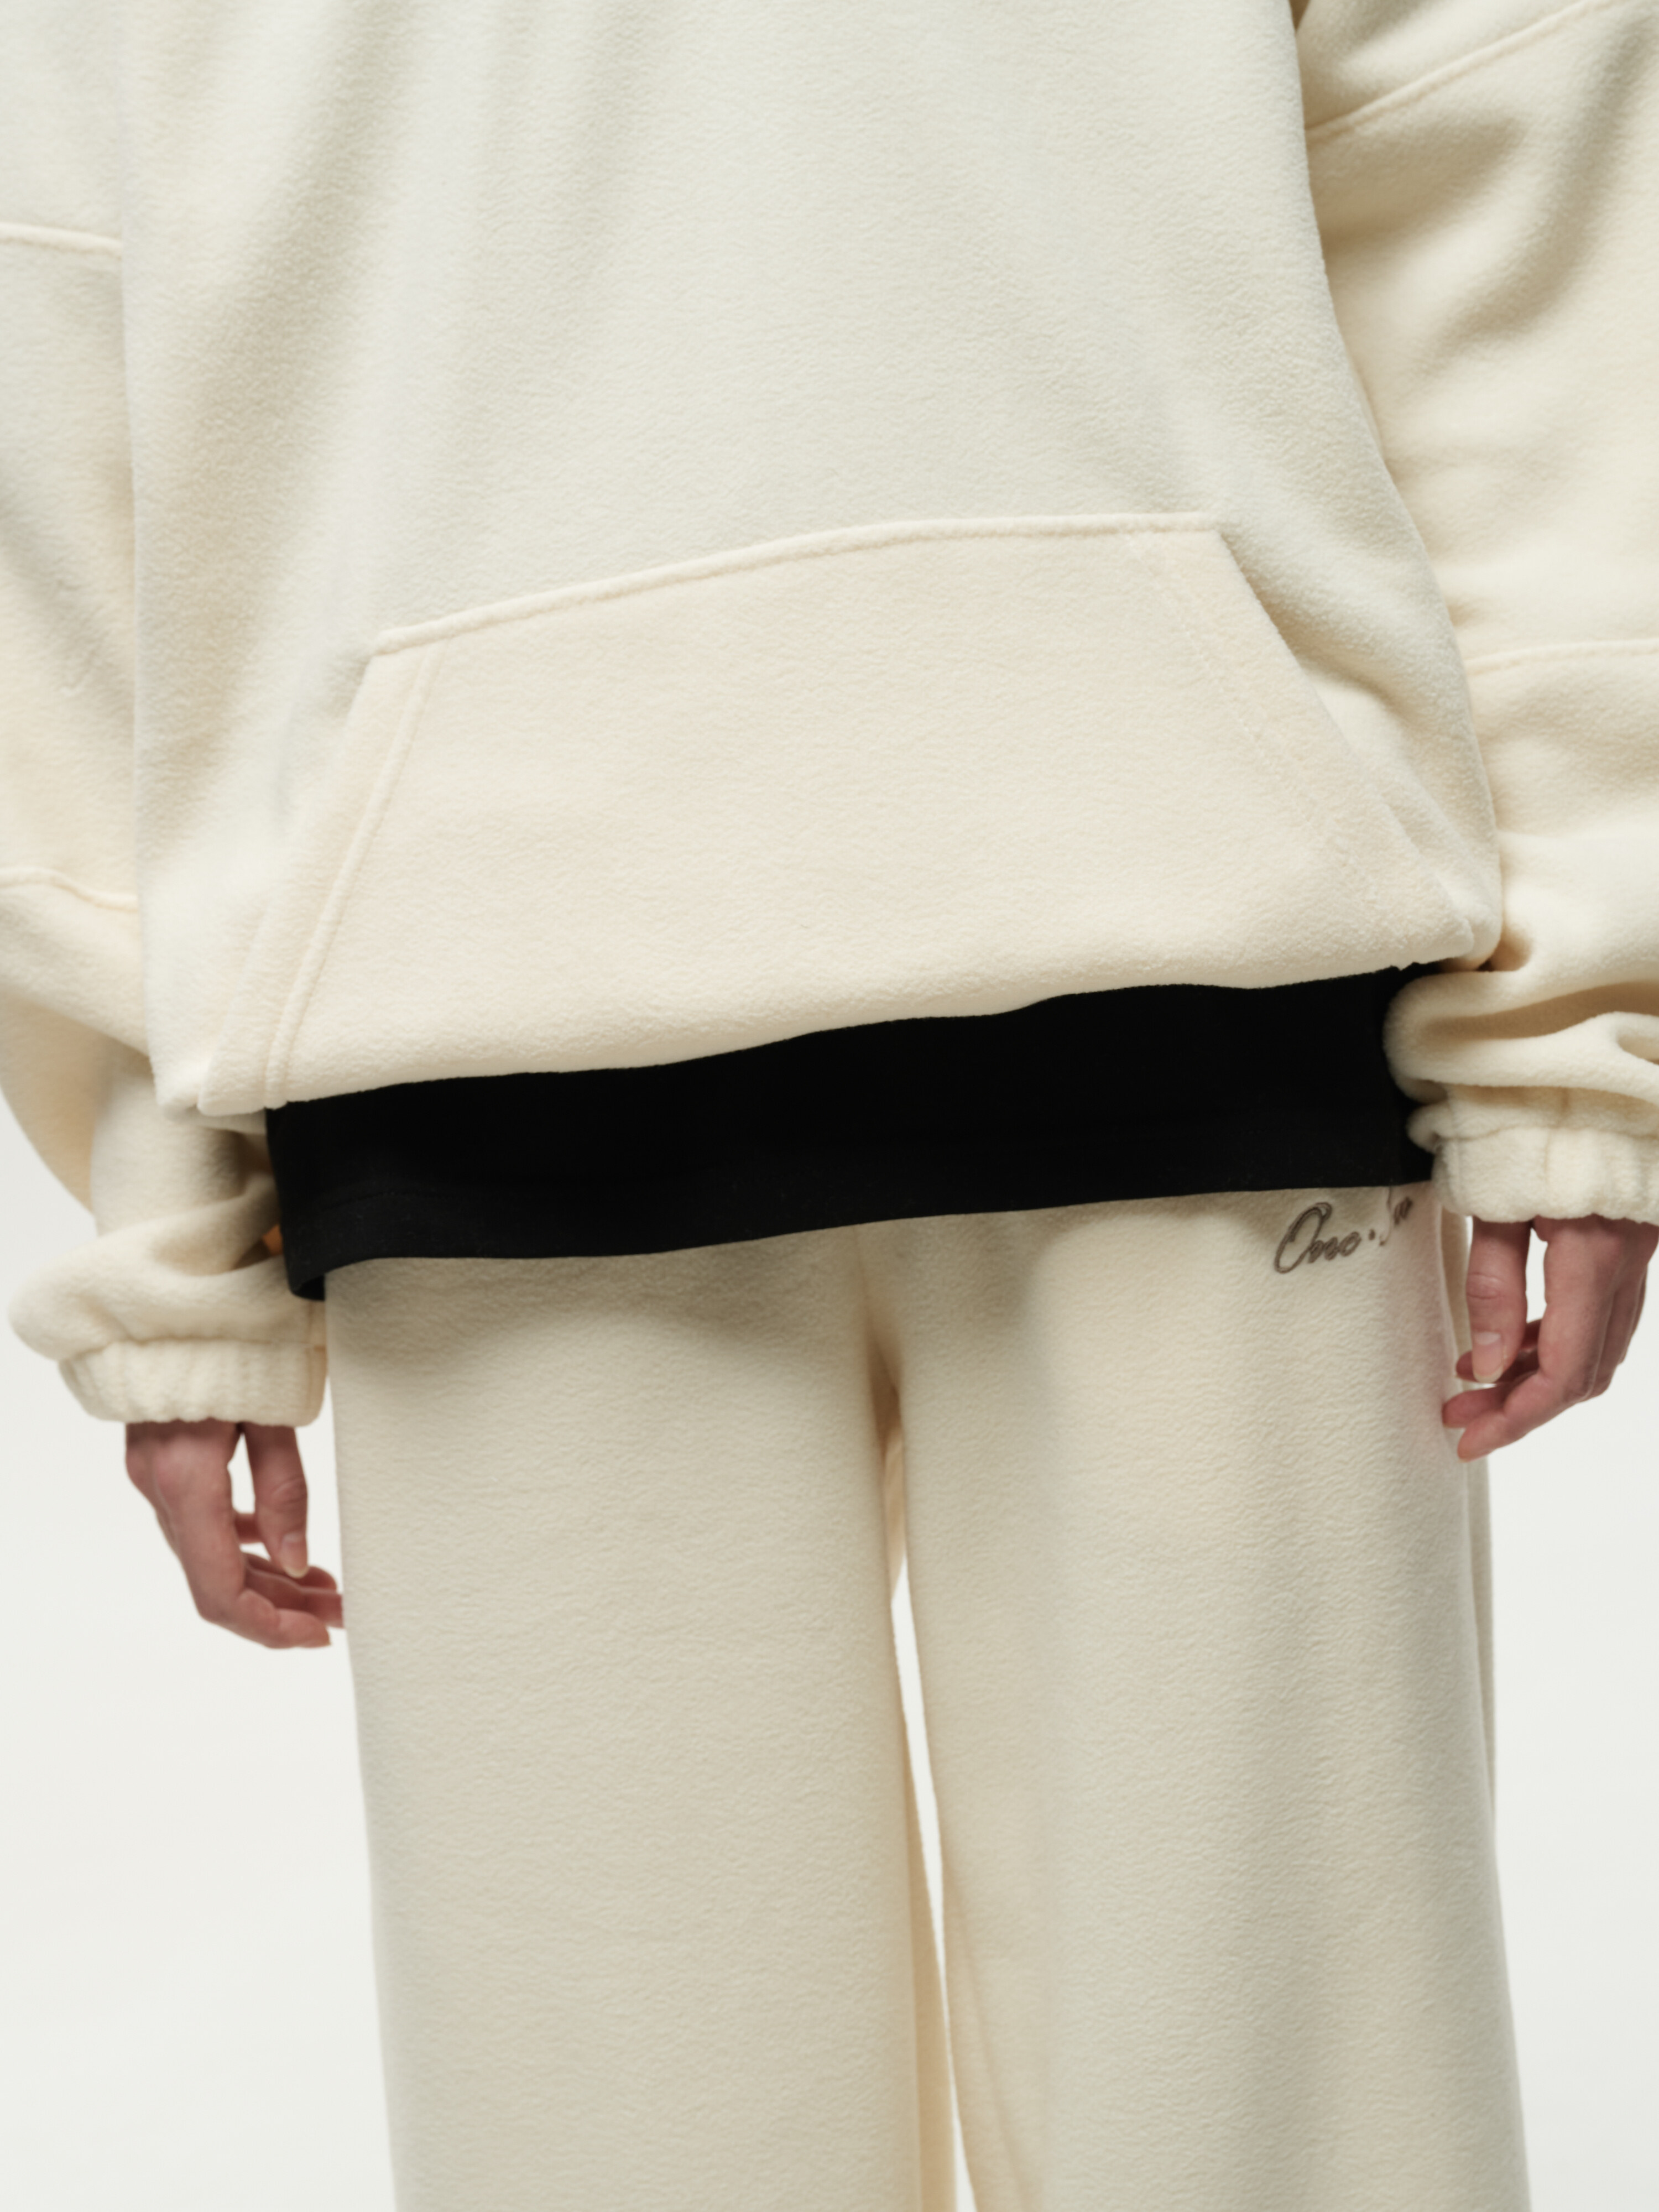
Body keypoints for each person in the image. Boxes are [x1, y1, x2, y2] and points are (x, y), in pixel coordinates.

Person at [3, 1, 1656, 2205]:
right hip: (486, 1064)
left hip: (1203, 1001)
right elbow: (64, 346)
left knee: (1289, 2146)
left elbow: (1504, 180)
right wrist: (170, 1229)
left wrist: (1574, 1027)